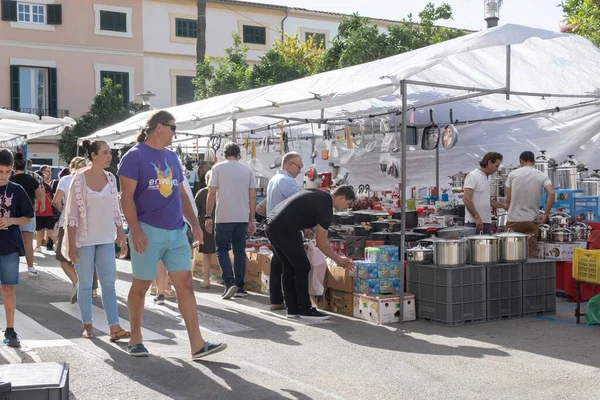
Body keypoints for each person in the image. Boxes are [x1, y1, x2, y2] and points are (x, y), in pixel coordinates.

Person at [118, 110, 226, 359]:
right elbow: (127, 198)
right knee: (142, 285)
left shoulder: (171, 157)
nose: (175, 133)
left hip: (176, 230)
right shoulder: (133, 157)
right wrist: (135, 230)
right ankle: (135, 338)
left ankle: (197, 344)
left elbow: (180, 194)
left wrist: (195, 224)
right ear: (158, 127)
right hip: (148, 229)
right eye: (173, 128)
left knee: (185, 284)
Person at [63, 140, 130, 341]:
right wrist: (73, 244)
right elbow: (72, 215)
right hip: (85, 240)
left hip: (106, 238)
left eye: (110, 153)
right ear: (93, 155)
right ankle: (87, 325)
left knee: (109, 283)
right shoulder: (79, 179)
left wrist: (121, 234)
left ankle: (114, 327)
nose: (110, 156)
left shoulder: (111, 178)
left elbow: (115, 209)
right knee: (85, 284)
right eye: (105, 152)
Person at [265, 186, 357, 320]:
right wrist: (340, 260)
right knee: (303, 266)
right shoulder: (326, 206)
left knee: (289, 266)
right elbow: (322, 243)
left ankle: (293, 309)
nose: (345, 208)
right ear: (341, 197)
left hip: (272, 225)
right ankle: (305, 308)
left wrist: (305, 226)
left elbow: (299, 208)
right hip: (285, 230)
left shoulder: (319, 194)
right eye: (347, 204)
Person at [205, 143, 258, 300]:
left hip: (223, 216)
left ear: (224, 154)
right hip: (242, 216)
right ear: (239, 155)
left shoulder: (218, 168)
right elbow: (253, 196)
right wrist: (252, 219)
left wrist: (208, 215)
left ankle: (229, 282)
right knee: (239, 251)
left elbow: (211, 192)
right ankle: (240, 285)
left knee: (222, 249)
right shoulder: (248, 170)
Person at [0, 149, 35, 348]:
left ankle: (11, 329)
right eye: (0, 171)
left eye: (7, 171)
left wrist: (10, 220)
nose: (4, 176)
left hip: (10, 245)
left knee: (8, 287)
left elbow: (27, 217)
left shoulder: (17, 189)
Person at [266, 151, 304, 311]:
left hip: (274, 228)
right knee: (295, 265)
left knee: (278, 263)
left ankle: (276, 299)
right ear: (289, 164)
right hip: (286, 229)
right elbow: (301, 204)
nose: (300, 170)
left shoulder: (274, 179)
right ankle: (294, 303)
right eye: (299, 166)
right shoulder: (286, 181)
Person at [52, 157, 90, 303]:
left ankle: (76, 282)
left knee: (63, 257)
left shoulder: (66, 180)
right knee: (86, 256)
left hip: (67, 222)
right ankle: (90, 287)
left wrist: (64, 210)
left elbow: (56, 200)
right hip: (87, 223)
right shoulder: (89, 179)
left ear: (71, 166)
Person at [506, 151, 555, 257]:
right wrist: (545, 214)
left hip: (514, 220)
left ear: (521, 161)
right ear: (534, 162)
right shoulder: (542, 175)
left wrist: (509, 209)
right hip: (532, 220)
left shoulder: (512, 174)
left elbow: (508, 198)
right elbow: (551, 193)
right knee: (530, 253)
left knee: (510, 252)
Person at [9, 153, 43, 277]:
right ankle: (31, 268)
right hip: (28, 214)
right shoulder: (31, 179)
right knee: (28, 242)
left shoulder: (9, 180)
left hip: (11, 215)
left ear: (13, 167)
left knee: (11, 242)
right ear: (25, 166)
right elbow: (39, 196)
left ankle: (12, 268)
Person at [463, 152, 506, 234]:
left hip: (486, 221)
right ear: (489, 162)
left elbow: (487, 200)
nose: (496, 169)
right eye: (496, 166)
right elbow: (466, 198)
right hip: (474, 222)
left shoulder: (486, 178)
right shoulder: (473, 176)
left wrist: (504, 206)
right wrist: (476, 217)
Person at [195, 170, 216, 289]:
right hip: (219, 223)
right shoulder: (221, 192)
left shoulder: (202, 193)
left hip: (205, 225)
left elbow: (195, 209)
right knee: (222, 252)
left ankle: (206, 279)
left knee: (206, 254)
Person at [35, 179, 56, 252]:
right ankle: (57, 244)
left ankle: (38, 247)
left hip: (39, 211)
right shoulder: (48, 187)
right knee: (50, 230)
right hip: (48, 212)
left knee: (39, 231)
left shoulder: (37, 187)